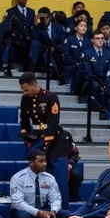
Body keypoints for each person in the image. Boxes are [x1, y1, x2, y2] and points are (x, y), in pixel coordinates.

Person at [19, 71, 73, 204]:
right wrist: (28, 142)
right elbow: (24, 122)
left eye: (26, 89)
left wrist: (44, 146)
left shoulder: (50, 97)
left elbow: (53, 123)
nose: (25, 93)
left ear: (35, 84)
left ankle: (63, 212)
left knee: (60, 182)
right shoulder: (25, 99)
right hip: (37, 139)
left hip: (56, 142)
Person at [0, 0, 36, 75]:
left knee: (34, 44)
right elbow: (9, 26)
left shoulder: (31, 12)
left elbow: (32, 26)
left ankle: (33, 69)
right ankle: (27, 70)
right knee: (22, 44)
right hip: (17, 38)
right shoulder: (11, 11)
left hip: (28, 37)